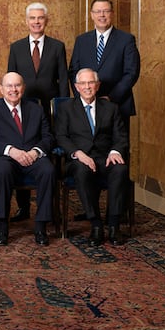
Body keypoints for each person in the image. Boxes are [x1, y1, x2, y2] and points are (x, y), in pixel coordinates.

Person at [6, 2, 69, 223]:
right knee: (22, 152)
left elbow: (63, 82)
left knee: (45, 159)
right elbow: (11, 79)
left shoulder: (57, 46)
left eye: (40, 18)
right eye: (32, 18)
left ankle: (48, 207)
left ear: (46, 21)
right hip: (22, 111)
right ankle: (23, 207)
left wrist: (62, 112)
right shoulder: (16, 47)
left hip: (50, 112)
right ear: (26, 21)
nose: (36, 22)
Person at [54, 68, 130, 247]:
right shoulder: (66, 108)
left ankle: (114, 225)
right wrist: (78, 153)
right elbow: (61, 137)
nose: (87, 87)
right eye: (83, 83)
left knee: (120, 169)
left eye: (91, 82)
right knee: (82, 170)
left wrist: (115, 151)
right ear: (76, 87)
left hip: (105, 157)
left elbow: (121, 136)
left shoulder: (111, 108)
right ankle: (96, 224)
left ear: (98, 85)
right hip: (78, 159)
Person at [0, 72, 56, 246]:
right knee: (3, 171)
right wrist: (10, 150)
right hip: (6, 157)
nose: (13, 90)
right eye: (9, 86)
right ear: (1, 89)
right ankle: (3, 226)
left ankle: (41, 226)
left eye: (17, 85)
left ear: (23, 88)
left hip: (32, 156)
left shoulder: (36, 109)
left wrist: (36, 152)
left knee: (48, 170)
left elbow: (48, 137)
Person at [68, 0, 140, 133]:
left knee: (117, 144)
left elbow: (131, 73)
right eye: (97, 11)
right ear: (91, 15)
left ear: (112, 13)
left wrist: (110, 98)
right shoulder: (81, 40)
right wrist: (83, 97)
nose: (102, 15)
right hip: (86, 106)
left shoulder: (126, 40)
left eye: (106, 11)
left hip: (117, 104)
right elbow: (73, 71)